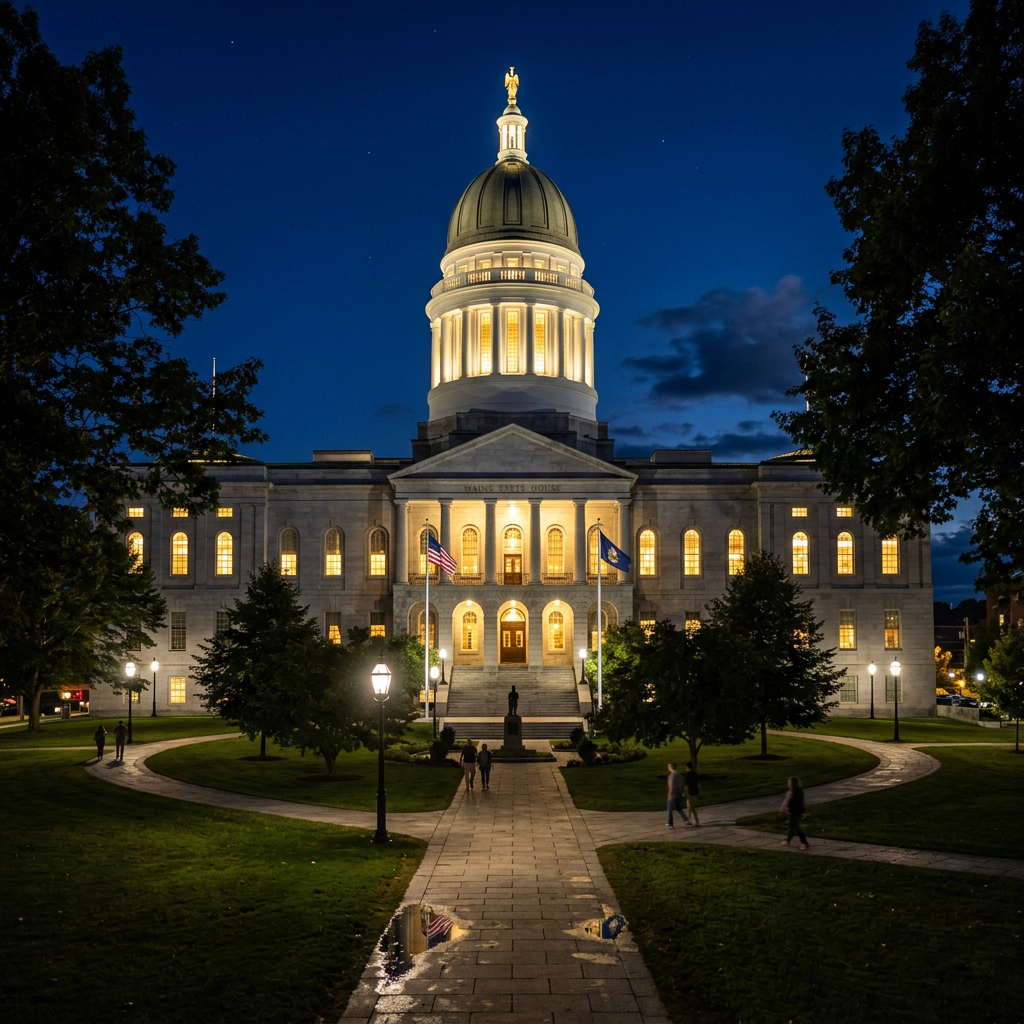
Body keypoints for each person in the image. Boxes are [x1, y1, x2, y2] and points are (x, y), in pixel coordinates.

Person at [780, 776, 809, 849]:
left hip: (794, 811)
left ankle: (804, 842)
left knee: (796, 827)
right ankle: (788, 840)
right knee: (792, 826)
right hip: (798, 811)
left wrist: (784, 808)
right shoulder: (798, 791)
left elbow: (788, 801)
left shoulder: (793, 792)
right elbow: (802, 802)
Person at [666, 762, 689, 827]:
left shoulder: (671, 775)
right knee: (678, 808)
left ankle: (670, 822)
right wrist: (682, 791)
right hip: (678, 793)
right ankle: (686, 820)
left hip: (673, 794)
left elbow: (671, 785)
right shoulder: (679, 775)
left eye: (668, 767)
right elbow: (682, 784)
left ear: (671, 767)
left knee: (669, 808)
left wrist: (670, 794)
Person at [683, 760, 701, 827]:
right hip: (695, 790)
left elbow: (685, 784)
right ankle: (688, 818)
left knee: (691, 805)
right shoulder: (694, 773)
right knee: (688, 804)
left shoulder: (687, 774)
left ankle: (696, 821)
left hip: (690, 791)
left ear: (687, 767)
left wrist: (684, 791)